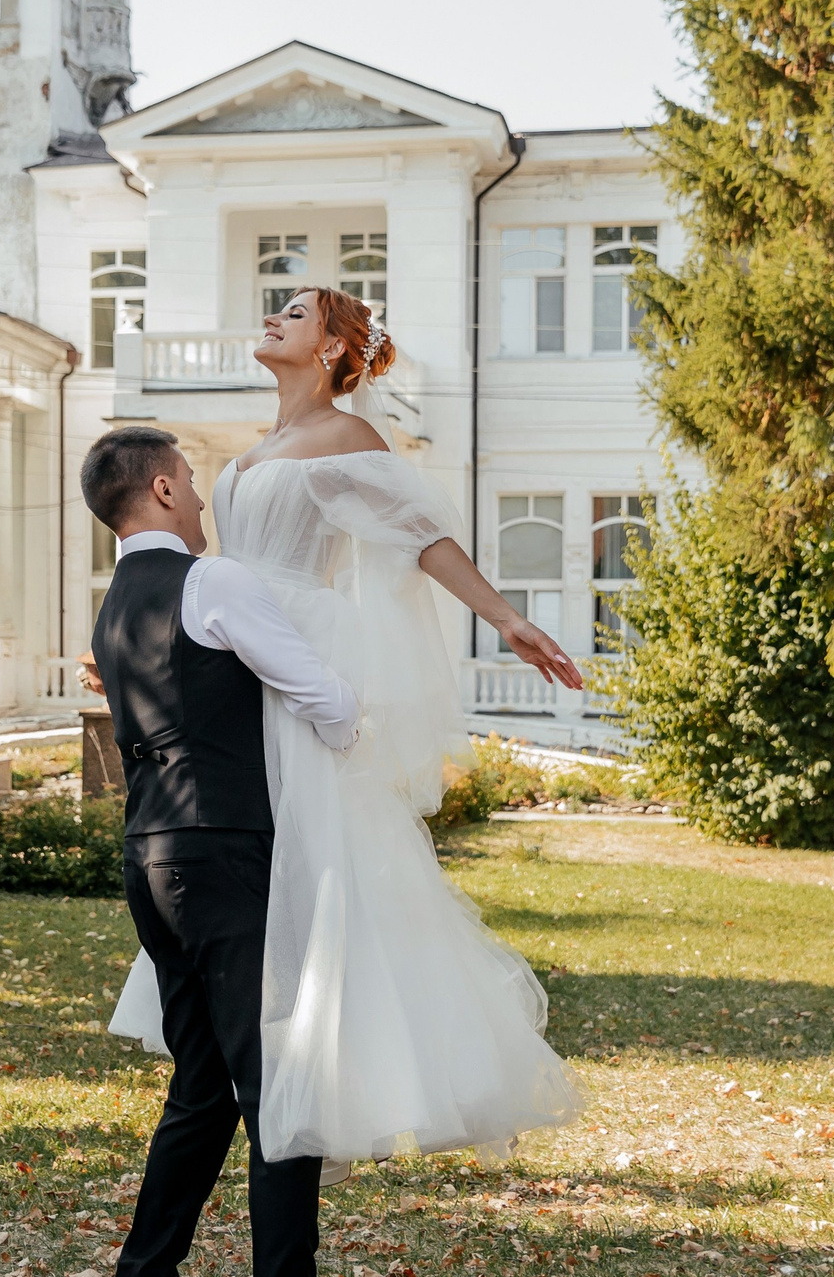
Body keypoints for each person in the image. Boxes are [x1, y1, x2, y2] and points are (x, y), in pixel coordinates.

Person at [108, 286, 585, 1182]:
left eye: (296, 313)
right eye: (276, 308)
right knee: (250, 854)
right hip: (236, 664)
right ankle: (258, 1032)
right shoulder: (249, 453)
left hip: (298, 660)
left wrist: (504, 617)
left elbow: (420, 535)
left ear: (332, 349)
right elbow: (207, 586)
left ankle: (323, 1058)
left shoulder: (349, 435)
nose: (273, 318)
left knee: (318, 851)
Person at [83, 424, 395, 1277]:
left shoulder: (112, 607)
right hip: (222, 858)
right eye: (192, 483)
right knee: (279, 1087)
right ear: (164, 489)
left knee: (205, 1082)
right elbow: (320, 697)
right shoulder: (213, 584)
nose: (201, 501)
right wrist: (353, 722)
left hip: (149, 856)